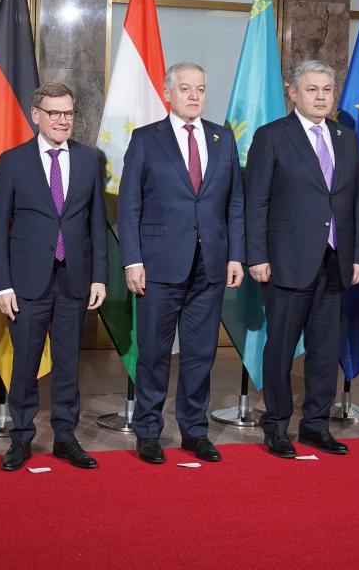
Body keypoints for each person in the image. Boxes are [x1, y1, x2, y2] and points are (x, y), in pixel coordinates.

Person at [117, 61, 245, 464]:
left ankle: (194, 431)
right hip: (158, 265)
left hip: (211, 263)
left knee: (201, 353)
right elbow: (129, 204)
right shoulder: (145, 139)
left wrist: (236, 254)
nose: (194, 96)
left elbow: (235, 202)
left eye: (200, 89)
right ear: (167, 92)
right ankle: (148, 431)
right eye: (185, 88)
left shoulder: (223, 138)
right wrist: (132, 260)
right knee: (154, 353)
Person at [244, 60, 359, 458]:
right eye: (312, 89)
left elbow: (357, 202)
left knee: (325, 350)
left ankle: (316, 425)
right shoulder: (272, 136)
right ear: (293, 93)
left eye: (327, 90)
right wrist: (256, 255)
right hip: (286, 261)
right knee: (280, 349)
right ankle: (277, 426)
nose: (321, 97)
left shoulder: (346, 138)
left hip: (335, 261)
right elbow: (256, 200)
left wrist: (358, 255)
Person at [0, 81, 108, 471]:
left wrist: (100, 277)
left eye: (68, 113)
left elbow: (96, 223)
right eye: (54, 113)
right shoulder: (13, 161)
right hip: (27, 281)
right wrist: (2, 284)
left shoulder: (90, 160)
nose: (62, 120)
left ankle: (65, 437)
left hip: (75, 279)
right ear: (35, 115)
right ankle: (21, 437)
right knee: (25, 364)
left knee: (68, 363)